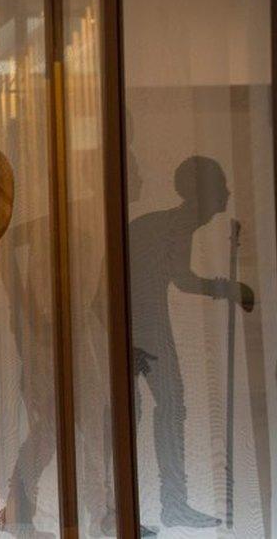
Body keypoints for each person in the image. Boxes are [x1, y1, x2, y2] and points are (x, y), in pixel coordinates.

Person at [129, 156, 254, 530]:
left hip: (144, 327)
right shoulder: (169, 227)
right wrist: (227, 288)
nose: (229, 193)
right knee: (158, 411)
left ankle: (168, 503)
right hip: (140, 329)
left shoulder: (167, 226)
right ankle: (147, 505)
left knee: (166, 410)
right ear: (205, 194)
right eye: (221, 187)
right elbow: (182, 280)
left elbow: (179, 279)